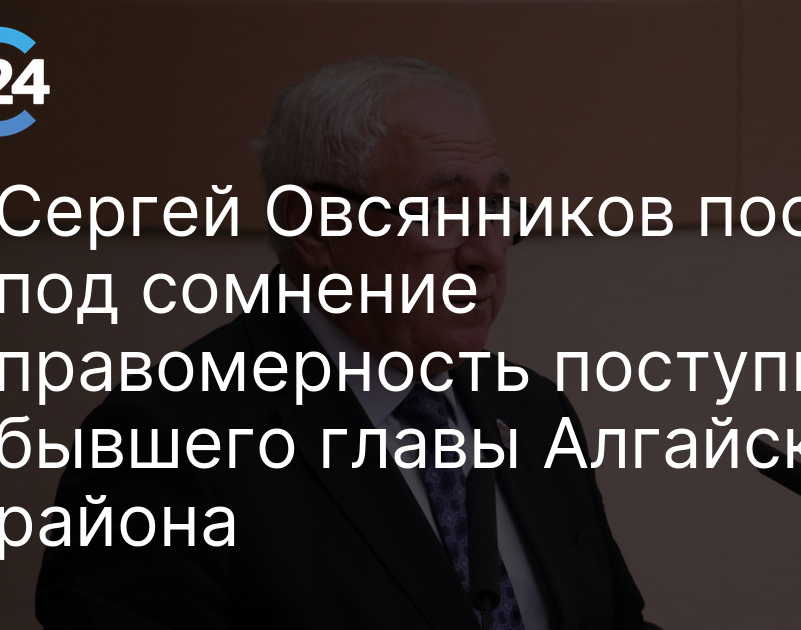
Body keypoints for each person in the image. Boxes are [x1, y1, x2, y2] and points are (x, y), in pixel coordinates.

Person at [37, 56, 654, 630]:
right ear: (313, 230)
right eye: (445, 209)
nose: (488, 253)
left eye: (495, 205)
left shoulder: (534, 410)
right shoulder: (160, 443)